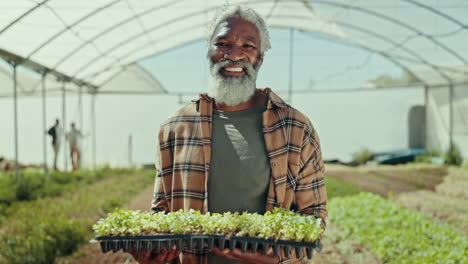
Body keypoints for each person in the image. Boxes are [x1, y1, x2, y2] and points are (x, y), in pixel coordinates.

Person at [135, 6, 327, 264]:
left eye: (248, 46)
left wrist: (278, 255)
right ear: (209, 52)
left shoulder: (295, 128)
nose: (234, 55)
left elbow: (313, 217)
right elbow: (162, 211)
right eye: (222, 43)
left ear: (260, 57)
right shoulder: (176, 128)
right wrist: (153, 251)